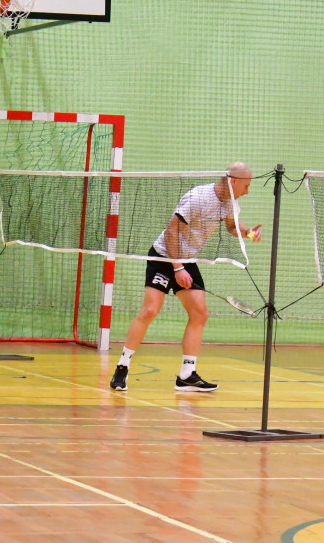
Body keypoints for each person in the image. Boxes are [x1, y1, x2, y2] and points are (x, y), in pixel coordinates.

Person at [110, 162, 261, 393]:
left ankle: (187, 374)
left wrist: (248, 232)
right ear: (233, 181)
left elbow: (231, 226)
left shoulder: (231, 203)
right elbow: (172, 231)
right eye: (246, 186)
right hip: (164, 257)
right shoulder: (198, 198)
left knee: (200, 313)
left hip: (188, 259)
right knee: (150, 310)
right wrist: (177, 268)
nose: (247, 191)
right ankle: (123, 366)